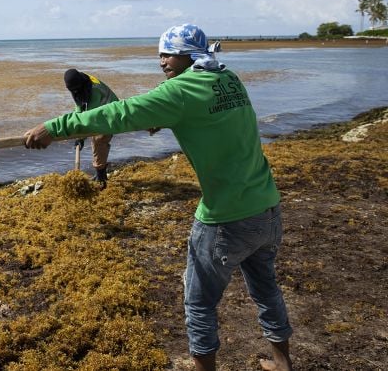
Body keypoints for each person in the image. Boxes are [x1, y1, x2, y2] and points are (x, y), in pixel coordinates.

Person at [24, 24, 293, 371]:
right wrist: (162, 119)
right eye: (160, 54)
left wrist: (53, 127)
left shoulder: (179, 93)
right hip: (267, 207)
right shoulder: (228, 80)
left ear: (189, 55)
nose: (161, 60)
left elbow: (119, 113)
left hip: (226, 217)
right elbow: (204, 115)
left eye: (168, 53)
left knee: (198, 304)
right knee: (266, 289)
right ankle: (283, 364)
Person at [62, 68, 119, 189]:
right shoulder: (80, 82)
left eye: (75, 89)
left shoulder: (94, 90)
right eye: (72, 90)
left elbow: (89, 118)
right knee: (97, 141)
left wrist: (82, 136)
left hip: (112, 113)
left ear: (79, 85)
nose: (74, 92)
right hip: (100, 110)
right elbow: (79, 109)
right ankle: (100, 174)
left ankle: (101, 178)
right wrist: (78, 134)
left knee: (99, 141)